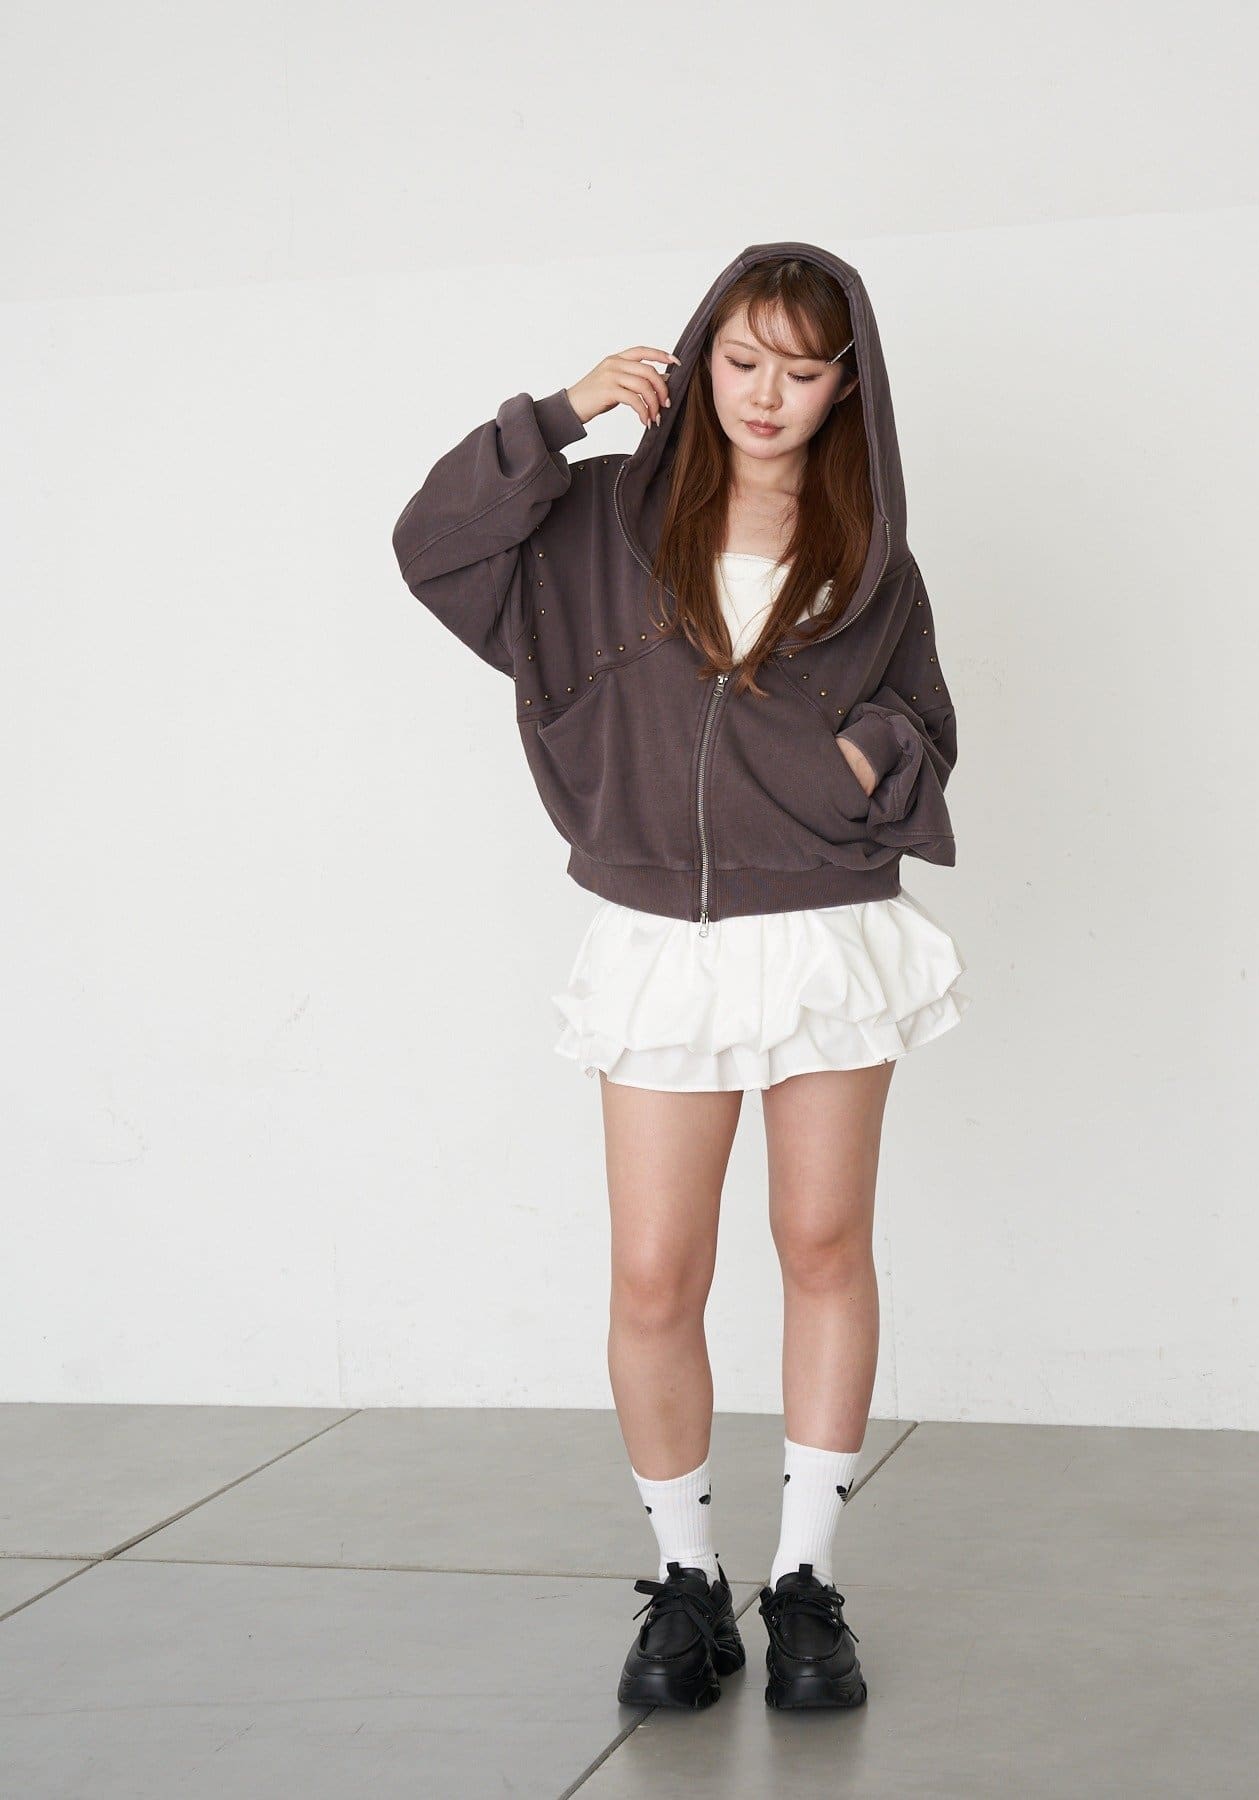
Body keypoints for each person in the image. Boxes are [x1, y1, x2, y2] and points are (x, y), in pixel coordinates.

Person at [392, 240, 970, 1712]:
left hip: (825, 936)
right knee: (657, 1273)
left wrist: (863, 759)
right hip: (660, 943)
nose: (768, 394)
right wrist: (556, 416)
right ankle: (688, 1585)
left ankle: (806, 1585)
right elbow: (434, 546)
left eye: (803, 370)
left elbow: (925, 724)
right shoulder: (598, 521)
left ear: (846, 388)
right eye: (743, 359)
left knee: (823, 1245)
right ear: (701, 354)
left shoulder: (869, 554)